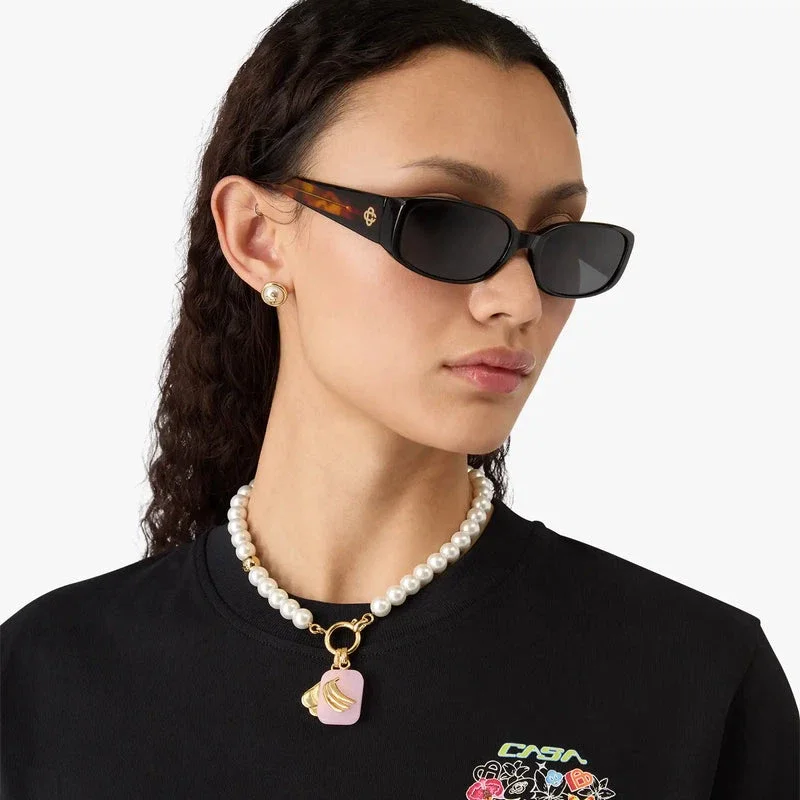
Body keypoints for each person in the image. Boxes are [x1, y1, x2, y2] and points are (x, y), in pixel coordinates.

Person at [2, 0, 797, 796]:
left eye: (560, 241)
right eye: (442, 224)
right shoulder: (42, 678)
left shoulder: (697, 684)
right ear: (258, 236)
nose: (520, 301)